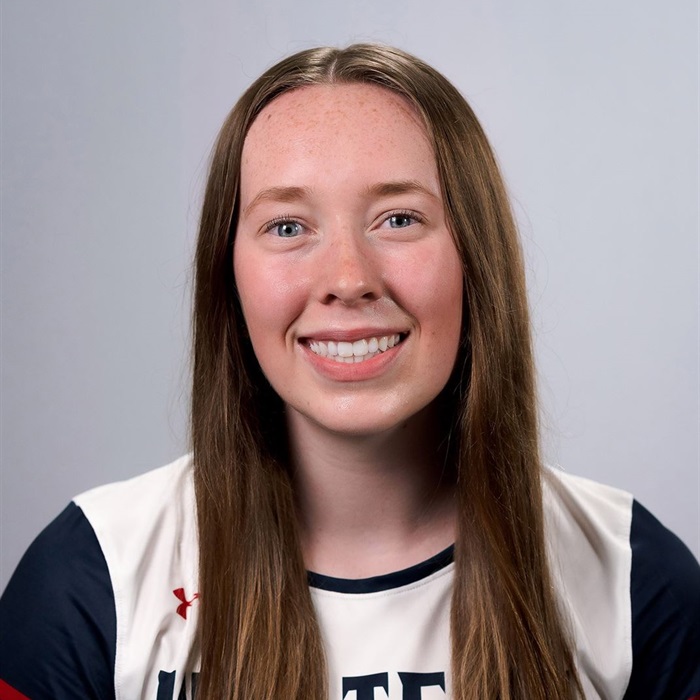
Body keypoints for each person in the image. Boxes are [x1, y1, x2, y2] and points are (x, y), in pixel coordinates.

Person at [1, 43, 698, 700]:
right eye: (287, 227)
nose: (347, 278)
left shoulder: (632, 579)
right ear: (227, 272)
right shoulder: (95, 578)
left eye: (398, 219)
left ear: (476, 257)